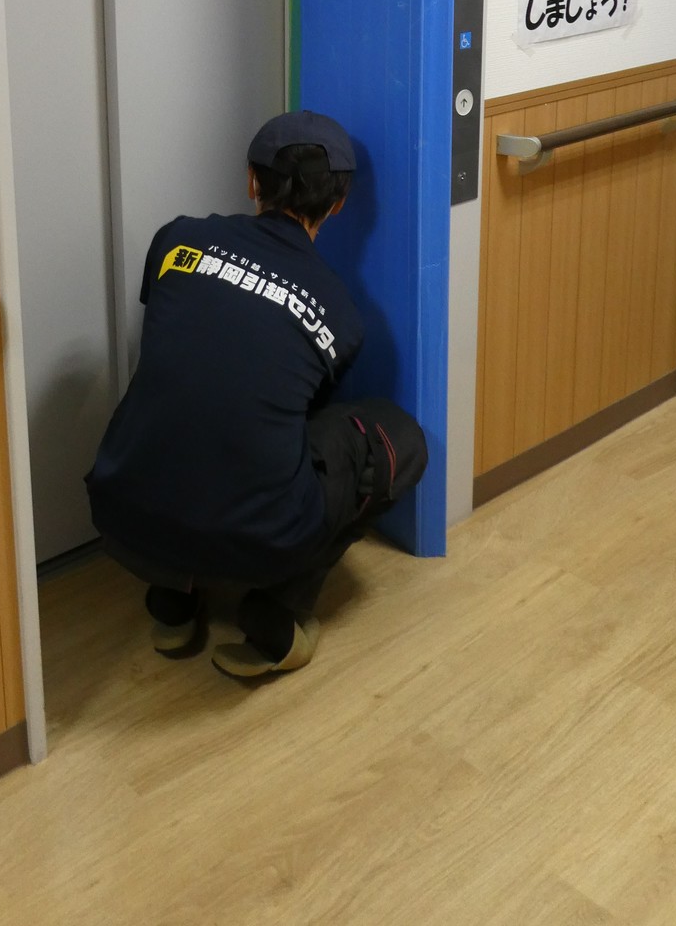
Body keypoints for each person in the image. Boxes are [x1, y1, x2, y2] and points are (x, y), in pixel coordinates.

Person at [86, 110, 428, 678]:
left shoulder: (175, 239)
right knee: (399, 438)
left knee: (193, 400)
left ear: (252, 181)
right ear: (339, 204)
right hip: (259, 540)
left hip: (120, 511)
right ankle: (278, 612)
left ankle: (172, 601)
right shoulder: (341, 314)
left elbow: (193, 357)